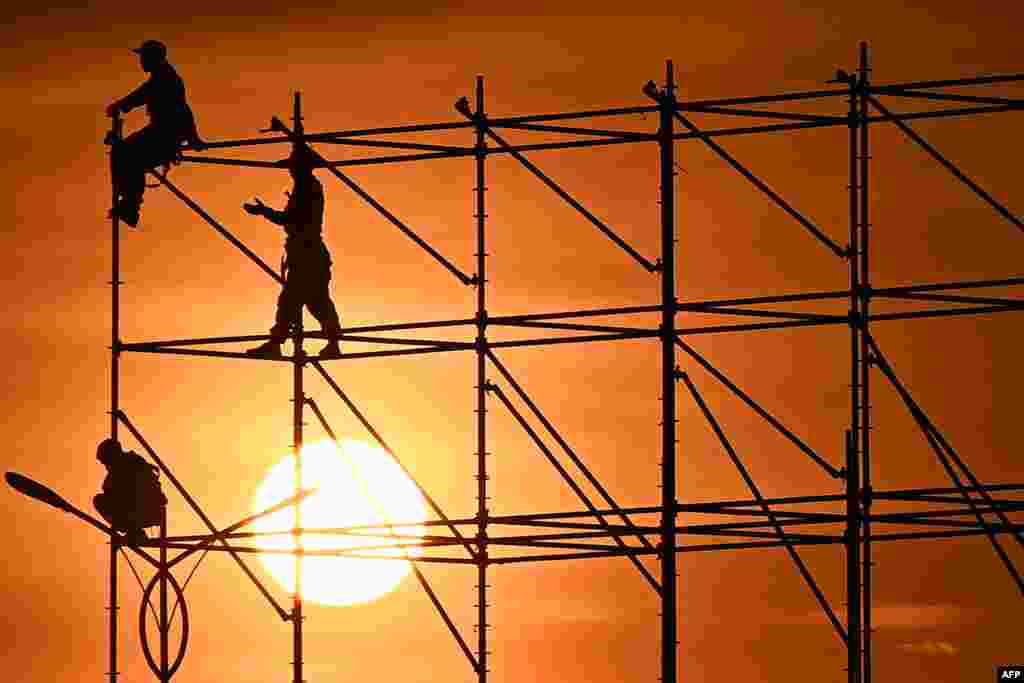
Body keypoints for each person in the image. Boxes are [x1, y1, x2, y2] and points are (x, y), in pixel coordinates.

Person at [242, 144, 343, 358]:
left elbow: (292, 218)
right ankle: (329, 343)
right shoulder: (306, 187)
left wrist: (264, 212)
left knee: (296, 301)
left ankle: (278, 343)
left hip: (308, 254)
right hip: (307, 254)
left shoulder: (308, 189)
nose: (291, 171)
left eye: (294, 167)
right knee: (314, 301)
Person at [105, 39, 205, 228]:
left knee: (126, 152)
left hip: (165, 134)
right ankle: (129, 203)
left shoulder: (166, 78)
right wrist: (122, 105)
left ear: (152, 58)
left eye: (143, 57)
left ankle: (130, 206)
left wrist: (193, 137)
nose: (141, 61)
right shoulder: (162, 76)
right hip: (162, 132)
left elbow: (180, 108)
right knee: (124, 152)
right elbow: (144, 93)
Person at [93, 438, 167, 544]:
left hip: (146, 511)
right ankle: (134, 531)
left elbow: (118, 491)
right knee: (108, 500)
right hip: (145, 511)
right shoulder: (126, 464)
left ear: (112, 456)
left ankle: (134, 531)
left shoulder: (128, 465)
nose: (106, 466)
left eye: (105, 462)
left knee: (101, 501)